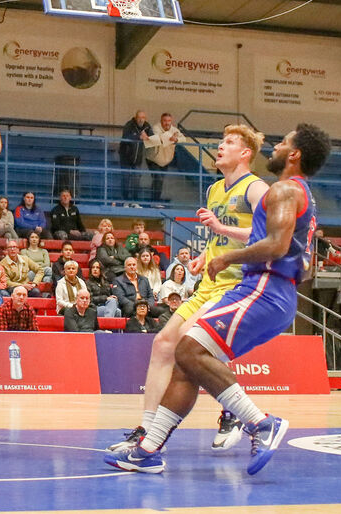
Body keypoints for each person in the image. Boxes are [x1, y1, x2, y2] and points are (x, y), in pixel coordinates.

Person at [108, 123, 330, 476]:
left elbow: (277, 245)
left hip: (261, 288)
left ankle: (258, 422)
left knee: (188, 351)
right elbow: (304, 261)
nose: (275, 147)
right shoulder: (296, 192)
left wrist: (228, 257)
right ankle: (148, 449)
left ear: (295, 154)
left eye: (283, 142)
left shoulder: (283, 188)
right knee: (187, 360)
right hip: (271, 291)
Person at [108, 124, 268, 455]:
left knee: (194, 350)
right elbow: (217, 239)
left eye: (228, 142)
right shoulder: (214, 190)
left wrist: (222, 228)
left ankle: (234, 414)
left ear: (245, 153)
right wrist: (201, 257)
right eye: (221, 140)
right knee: (164, 342)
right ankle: (146, 427)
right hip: (208, 284)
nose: (220, 146)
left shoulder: (256, 188)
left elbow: (270, 235)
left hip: (237, 285)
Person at [143, 112, 184, 202]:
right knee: (158, 178)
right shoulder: (155, 128)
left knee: (159, 180)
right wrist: (171, 138)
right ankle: (155, 201)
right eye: (165, 121)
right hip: (153, 159)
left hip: (166, 160)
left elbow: (183, 139)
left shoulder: (174, 130)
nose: (167, 123)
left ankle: (155, 199)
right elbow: (160, 138)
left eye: (169, 121)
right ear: (161, 121)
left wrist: (176, 139)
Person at [118, 110, 152, 201]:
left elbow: (152, 137)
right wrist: (138, 137)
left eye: (143, 118)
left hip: (138, 157)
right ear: (135, 117)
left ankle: (135, 200)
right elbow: (125, 137)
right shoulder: (129, 125)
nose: (141, 120)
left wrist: (148, 138)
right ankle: (125, 199)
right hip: (125, 156)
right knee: (126, 178)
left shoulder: (147, 126)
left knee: (136, 179)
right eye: (139, 117)